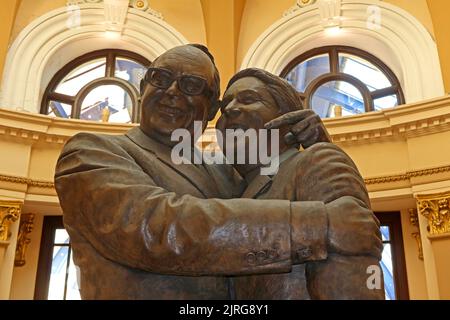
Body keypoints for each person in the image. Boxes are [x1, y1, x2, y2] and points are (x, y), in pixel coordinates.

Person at [54, 44, 381, 299]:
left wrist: (319, 151)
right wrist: (318, 224)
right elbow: (156, 226)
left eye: (191, 85)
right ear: (142, 87)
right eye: (161, 78)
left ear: (210, 110)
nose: (172, 92)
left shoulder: (227, 176)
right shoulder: (92, 152)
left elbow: (284, 177)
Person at [216, 68, 384, 299]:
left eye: (248, 99)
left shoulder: (316, 162)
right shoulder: (231, 190)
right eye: (224, 105)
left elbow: (352, 248)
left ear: (287, 117)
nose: (230, 108)